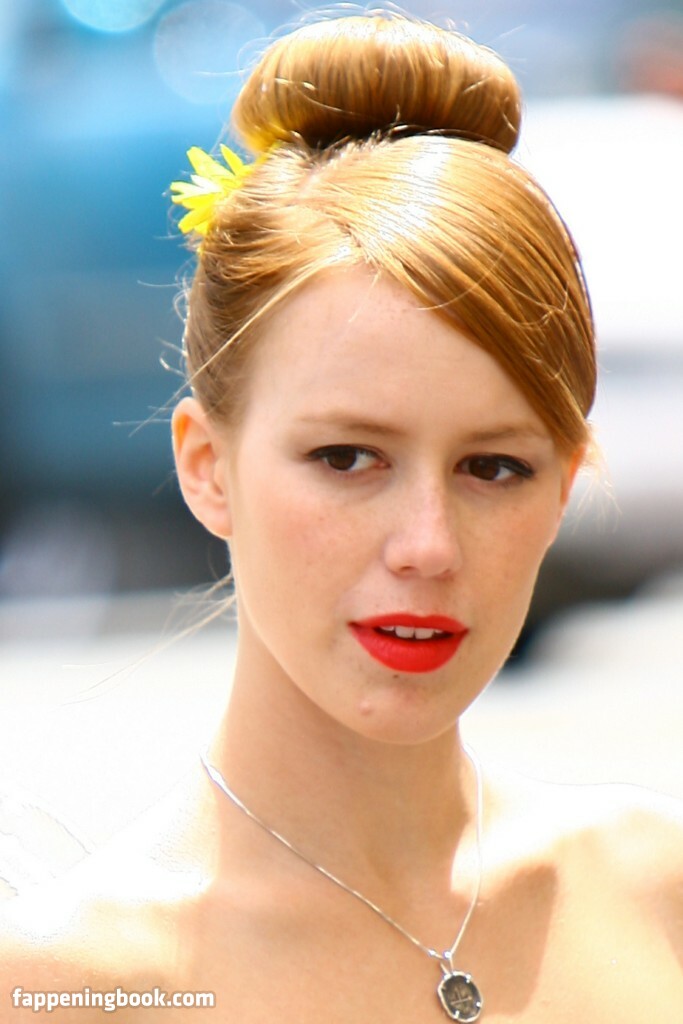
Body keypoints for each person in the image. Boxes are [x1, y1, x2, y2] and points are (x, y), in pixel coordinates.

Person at [1, 13, 681, 1022]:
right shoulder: (73, 984)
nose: (427, 546)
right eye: (347, 458)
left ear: (563, 487)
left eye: (493, 467)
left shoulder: (652, 895)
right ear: (207, 467)